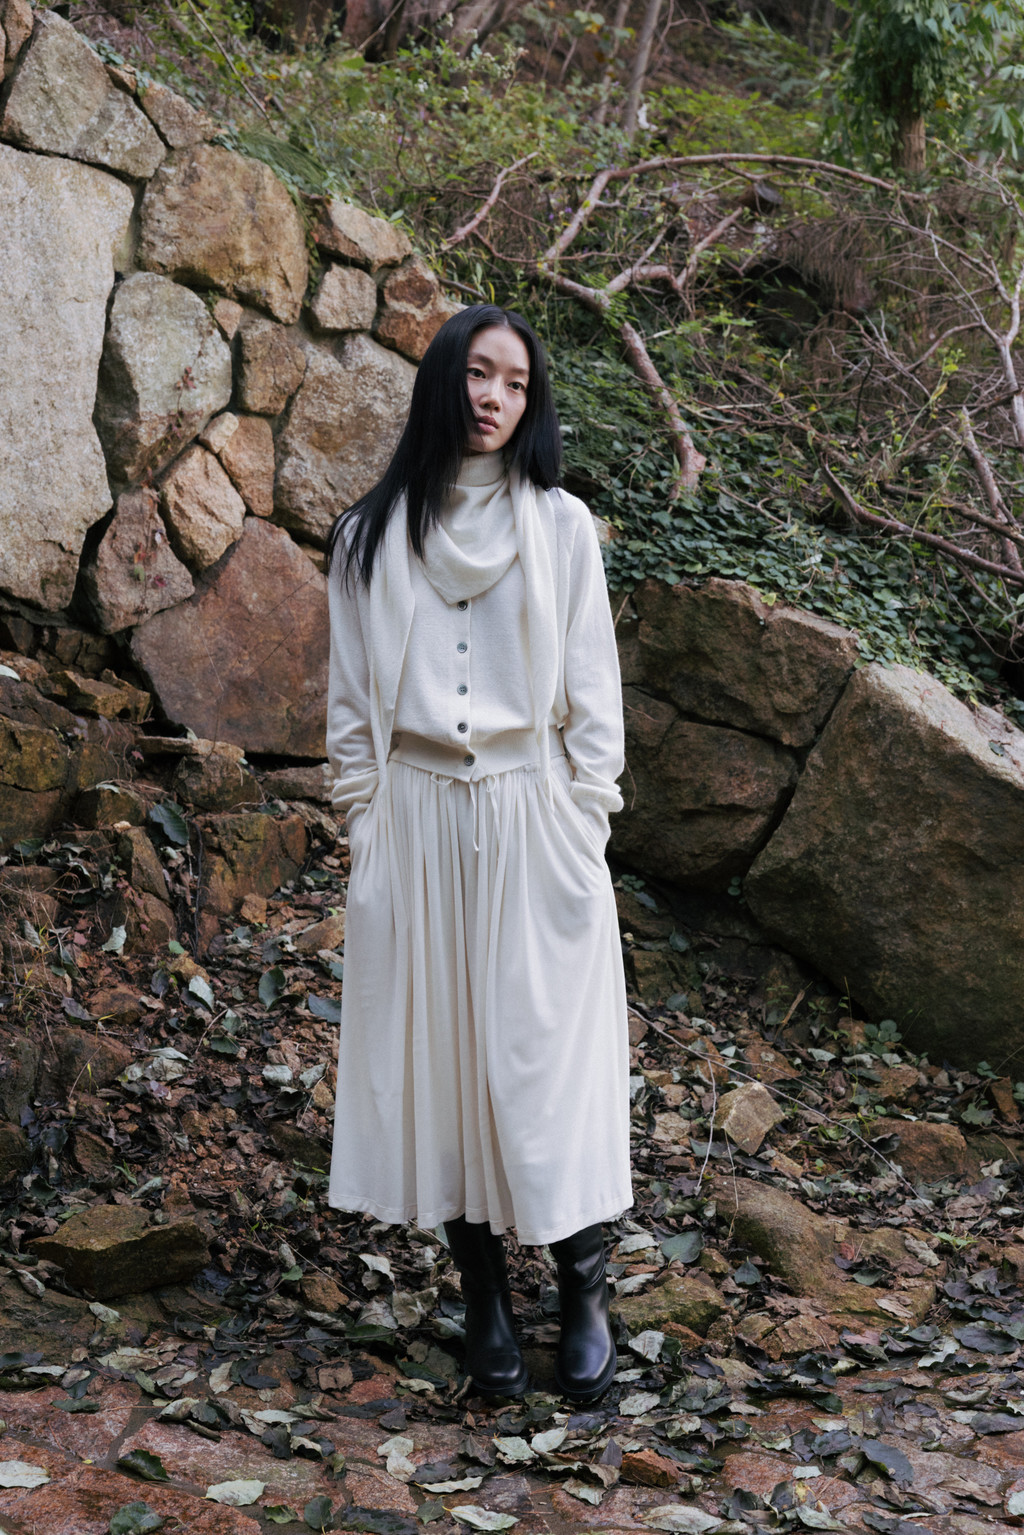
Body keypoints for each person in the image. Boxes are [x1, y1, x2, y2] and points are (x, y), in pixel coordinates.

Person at [324, 304, 632, 1403]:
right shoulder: (368, 537)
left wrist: (582, 825)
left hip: (532, 816)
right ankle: (485, 1296)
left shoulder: (562, 528)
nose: (495, 395)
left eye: (516, 381)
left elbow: (593, 702)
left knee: (546, 1062)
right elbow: (350, 713)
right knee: (447, 1065)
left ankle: (584, 1287)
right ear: (444, 378)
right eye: (479, 372)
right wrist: (368, 830)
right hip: (415, 824)